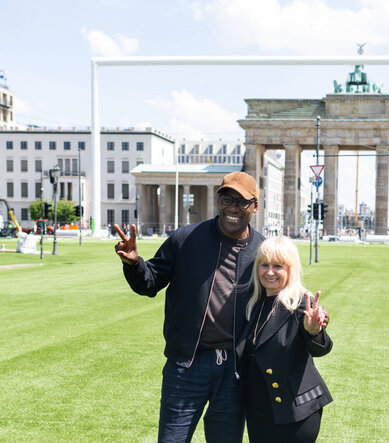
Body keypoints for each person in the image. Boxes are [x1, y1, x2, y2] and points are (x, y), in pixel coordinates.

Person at [113, 171, 265, 442]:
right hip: (186, 365)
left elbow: (278, 305)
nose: (233, 208)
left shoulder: (263, 252)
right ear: (218, 201)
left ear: (255, 206)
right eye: (226, 199)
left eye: (241, 202)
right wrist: (134, 264)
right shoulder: (185, 238)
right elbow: (149, 283)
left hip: (235, 371)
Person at [237, 236, 333, 443]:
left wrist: (313, 330)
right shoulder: (253, 303)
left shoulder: (300, 304)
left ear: (291, 269)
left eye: (278, 266)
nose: (269, 272)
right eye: (264, 265)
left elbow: (320, 347)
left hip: (296, 412)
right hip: (258, 412)